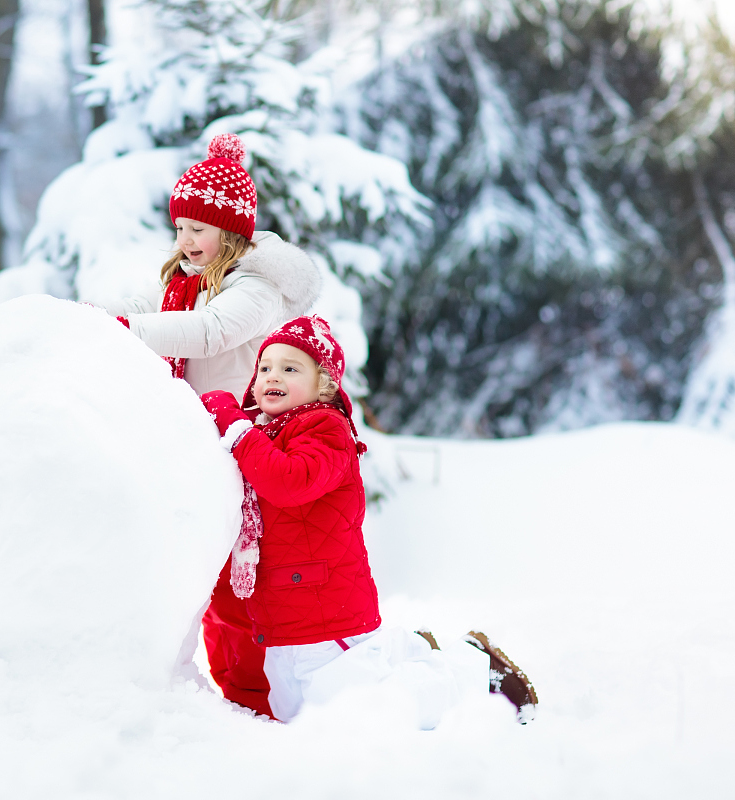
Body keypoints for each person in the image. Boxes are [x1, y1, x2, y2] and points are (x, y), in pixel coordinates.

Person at [201, 316, 538, 725]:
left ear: (324, 384)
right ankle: (409, 650)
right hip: (286, 620)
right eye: (266, 367)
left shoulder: (324, 427)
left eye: (291, 368)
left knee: (358, 713)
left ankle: (473, 673)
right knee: (297, 713)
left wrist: (234, 426)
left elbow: (287, 482)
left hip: (323, 610)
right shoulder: (267, 434)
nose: (273, 375)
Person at [102, 134, 321, 718]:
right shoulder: (188, 279)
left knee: (237, 581)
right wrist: (113, 313)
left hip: (240, 444)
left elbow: (207, 333)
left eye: (197, 229)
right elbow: (153, 308)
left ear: (230, 230)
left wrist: (124, 328)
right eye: (179, 228)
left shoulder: (258, 289)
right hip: (194, 442)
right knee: (195, 570)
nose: (185, 241)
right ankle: (210, 689)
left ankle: (259, 696)